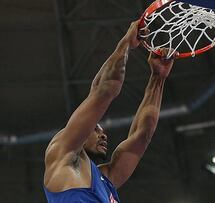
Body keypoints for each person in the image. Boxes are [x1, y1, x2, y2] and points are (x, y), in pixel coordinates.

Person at [43, 21, 177, 203]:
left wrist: (158, 78)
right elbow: (104, 90)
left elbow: (142, 134)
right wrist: (126, 44)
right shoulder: (61, 154)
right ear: (80, 129)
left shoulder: (106, 179)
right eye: (96, 129)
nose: (103, 134)